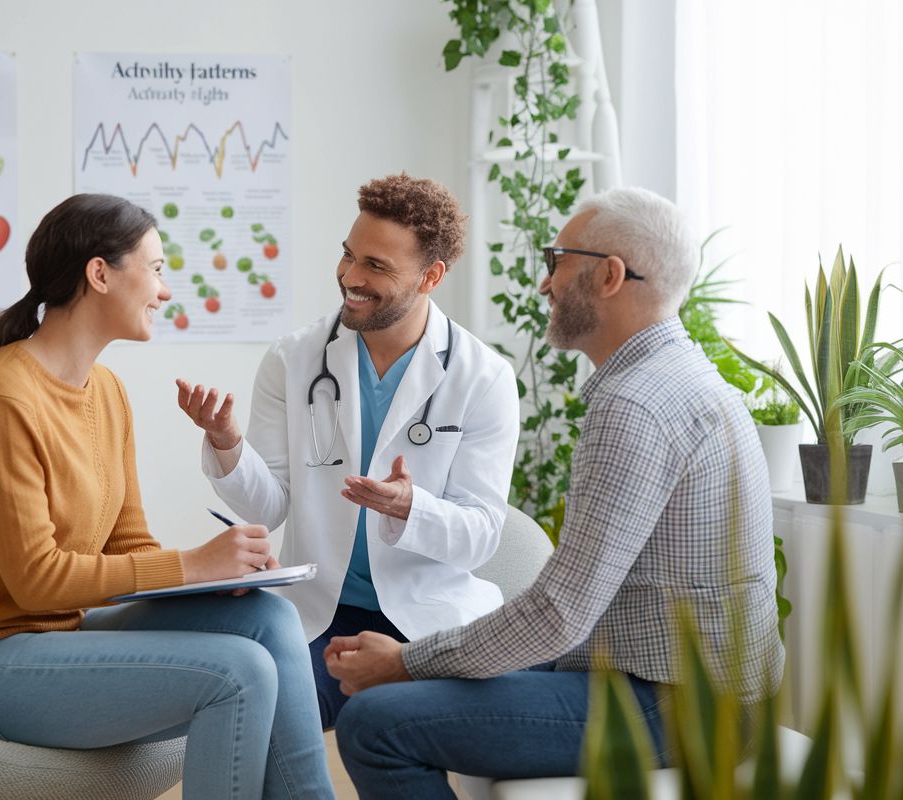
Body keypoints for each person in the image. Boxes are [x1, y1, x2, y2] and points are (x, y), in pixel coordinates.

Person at [323, 186, 785, 799]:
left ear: (610, 277)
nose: (544, 284)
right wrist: (419, 659)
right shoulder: (688, 375)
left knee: (375, 725)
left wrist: (405, 661)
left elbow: (560, 613)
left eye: (557, 262)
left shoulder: (636, 405)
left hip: (679, 705)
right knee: (417, 685)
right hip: (689, 683)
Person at [0, 194, 336, 800]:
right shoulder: (3, 399)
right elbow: (34, 581)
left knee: (269, 616)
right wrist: (192, 563)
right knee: (238, 673)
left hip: (61, 635)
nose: (165, 291)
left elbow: (129, 544)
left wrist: (218, 578)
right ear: (99, 273)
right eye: (158, 268)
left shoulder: (106, 390)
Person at [176, 173, 520, 730]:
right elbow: (270, 508)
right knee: (259, 712)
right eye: (348, 255)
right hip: (320, 611)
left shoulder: (484, 378)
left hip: (421, 616)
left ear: (431, 276)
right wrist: (227, 443)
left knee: (389, 725)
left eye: (376, 266)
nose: (350, 278)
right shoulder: (295, 359)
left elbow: (481, 535)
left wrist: (412, 508)